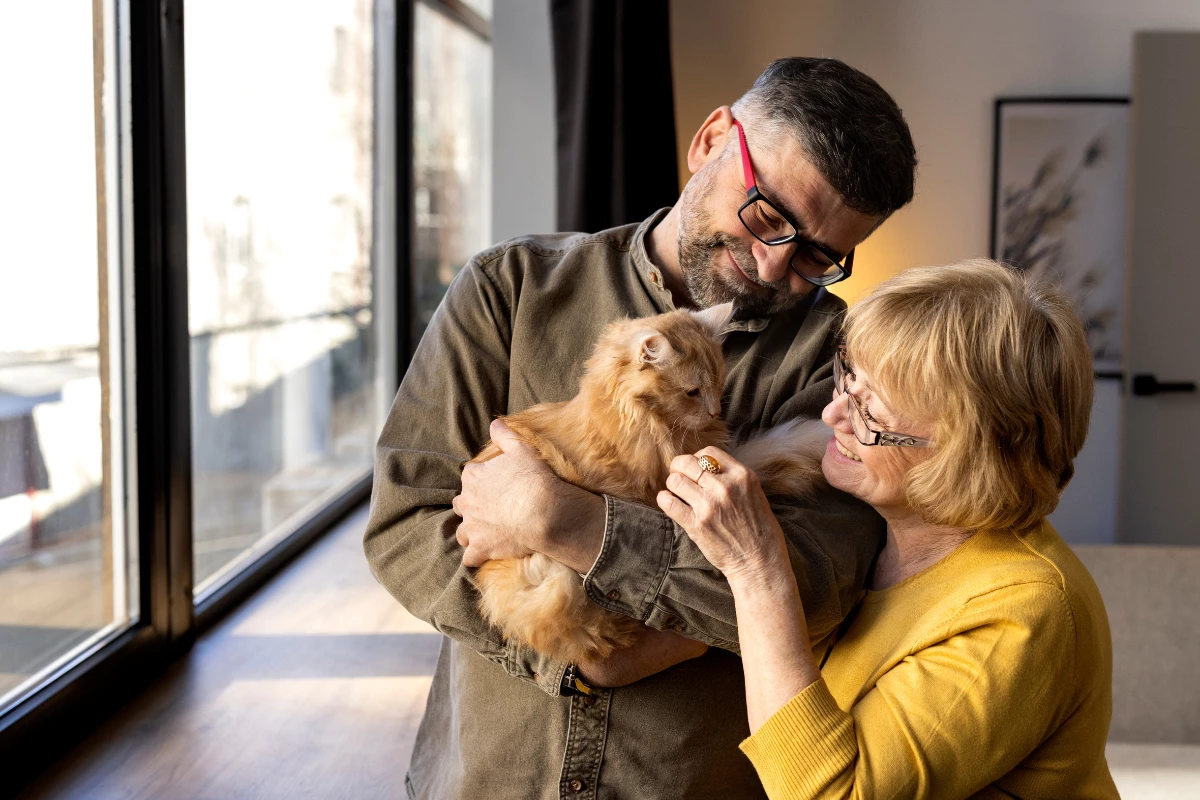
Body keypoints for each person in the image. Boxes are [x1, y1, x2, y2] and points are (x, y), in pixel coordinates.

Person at [364, 58, 917, 798]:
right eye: (766, 216)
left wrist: (561, 521)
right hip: (490, 777)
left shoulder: (844, 360)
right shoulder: (509, 288)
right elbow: (406, 523)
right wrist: (578, 659)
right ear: (710, 140)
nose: (771, 265)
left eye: (817, 256)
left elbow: (816, 585)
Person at [656, 260, 1119, 799]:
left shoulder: (1025, 610)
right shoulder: (865, 538)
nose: (832, 414)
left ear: (965, 450)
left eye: (871, 412)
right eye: (848, 377)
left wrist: (756, 568)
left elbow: (836, 794)